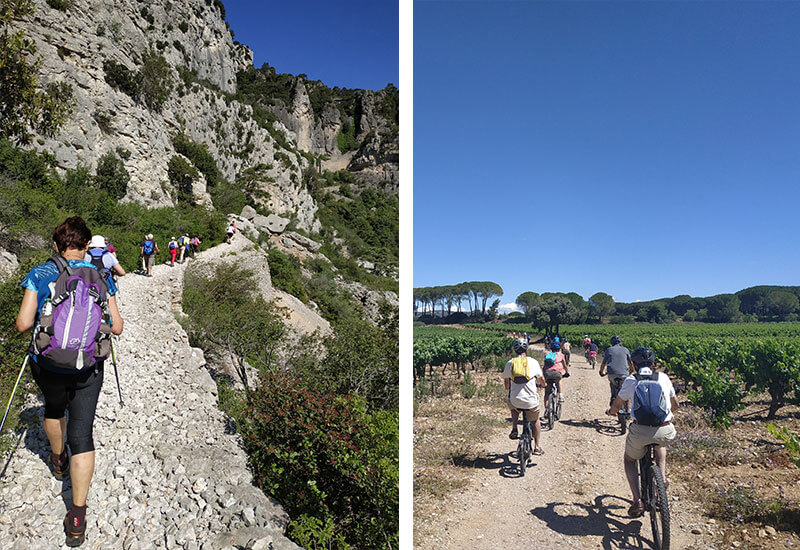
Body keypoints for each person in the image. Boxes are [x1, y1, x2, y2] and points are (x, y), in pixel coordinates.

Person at [15, 216, 124, 547]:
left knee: (53, 409)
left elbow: (22, 324)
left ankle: (58, 459)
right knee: (83, 434)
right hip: (88, 367)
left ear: (55, 244)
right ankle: (77, 515)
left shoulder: (41, 273)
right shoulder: (102, 276)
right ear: (87, 246)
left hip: (47, 365)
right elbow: (117, 327)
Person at [606, 347, 678, 518]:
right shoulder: (664, 377)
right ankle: (662, 478)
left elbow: (617, 406)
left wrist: (611, 412)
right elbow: (675, 404)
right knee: (660, 445)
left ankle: (637, 500)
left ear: (632, 364)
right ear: (653, 364)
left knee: (629, 460)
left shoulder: (631, 380)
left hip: (640, 431)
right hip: (665, 428)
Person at [501, 338, 545, 456]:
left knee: (512, 405)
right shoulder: (533, 362)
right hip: (530, 401)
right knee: (535, 420)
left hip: (515, 399)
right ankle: (536, 447)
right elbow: (541, 379)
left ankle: (515, 427)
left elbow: (506, 382)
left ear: (515, 350)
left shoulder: (510, 363)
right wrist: (542, 385)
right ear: (526, 349)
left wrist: (509, 388)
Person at [599, 335, 633, 405]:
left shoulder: (609, 350)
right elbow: (630, 363)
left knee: (612, 384)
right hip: (624, 373)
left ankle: (613, 397)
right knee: (625, 389)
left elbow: (603, 363)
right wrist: (631, 371)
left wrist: (601, 372)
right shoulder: (626, 349)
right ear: (620, 342)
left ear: (611, 343)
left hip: (612, 373)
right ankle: (628, 408)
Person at [543, 342, 569, 410]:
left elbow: (544, 366)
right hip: (556, 373)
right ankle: (560, 395)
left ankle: (546, 410)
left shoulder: (547, 355)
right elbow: (565, 366)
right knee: (559, 379)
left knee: (547, 393)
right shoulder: (560, 355)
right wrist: (567, 372)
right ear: (559, 348)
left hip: (547, 373)